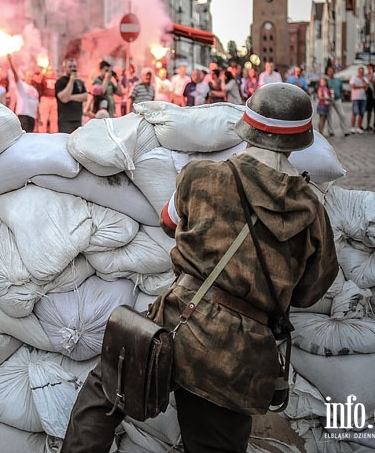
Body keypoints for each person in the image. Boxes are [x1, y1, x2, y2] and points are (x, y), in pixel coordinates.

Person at [61, 82, 337, 453]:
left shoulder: (202, 175)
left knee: (102, 396)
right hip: (240, 354)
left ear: (247, 128)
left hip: (179, 321)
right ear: (299, 140)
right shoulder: (312, 209)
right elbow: (311, 289)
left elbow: (169, 222)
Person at [6, 53, 39, 132]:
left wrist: (39, 118)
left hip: (32, 117)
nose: (30, 77)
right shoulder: (21, 85)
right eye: (28, 75)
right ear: (25, 76)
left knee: (30, 136)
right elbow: (15, 75)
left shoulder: (35, 90)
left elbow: (37, 104)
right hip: (23, 115)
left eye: (32, 76)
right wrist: (10, 62)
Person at [55, 58, 88, 133]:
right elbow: (63, 98)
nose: (73, 69)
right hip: (65, 120)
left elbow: (85, 97)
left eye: (74, 67)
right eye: (70, 67)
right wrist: (71, 81)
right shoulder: (60, 82)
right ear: (65, 68)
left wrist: (70, 97)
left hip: (77, 119)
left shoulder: (79, 82)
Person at [31, 65, 58, 132]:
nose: (50, 72)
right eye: (49, 70)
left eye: (51, 70)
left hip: (54, 99)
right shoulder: (43, 77)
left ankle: (54, 134)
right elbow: (36, 80)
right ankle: (42, 134)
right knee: (43, 118)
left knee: (54, 118)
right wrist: (42, 73)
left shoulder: (55, 78)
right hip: (45, 99)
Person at [323, 66, 348, 137]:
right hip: (329, 100)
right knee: (329, 116)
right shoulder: (326, 80)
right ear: (327, 72)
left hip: (337, 99)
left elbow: (341, 89)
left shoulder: (338, 80)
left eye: (332, 71)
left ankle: (345, 130)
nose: (331, 73)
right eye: (329, 71)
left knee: (342, 114)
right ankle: (330, 131)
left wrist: (342, 95)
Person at [348, 66, 369, 134]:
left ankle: (358, 127)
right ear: (358, 71)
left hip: (363, 98)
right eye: (360, 71)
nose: (361, 73)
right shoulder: (354, 78)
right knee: (355, 112)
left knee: (361, 113)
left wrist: (362, 82)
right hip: (355, 98)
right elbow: (353, 86)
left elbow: (366, 87)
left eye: (362, 72)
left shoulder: (365, 79)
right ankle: (352, 127)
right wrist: (361, 86)